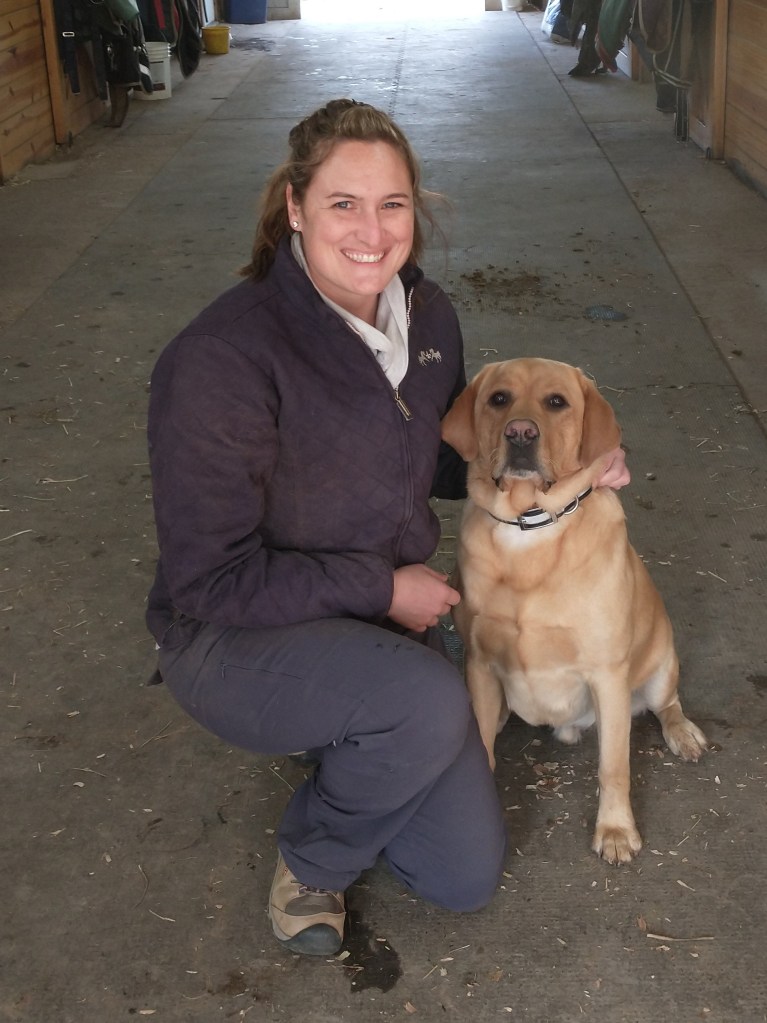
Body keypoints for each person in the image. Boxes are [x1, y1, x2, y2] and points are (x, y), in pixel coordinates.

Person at [145, 98, 629, 957]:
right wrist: (382, 586)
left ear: (415, 210)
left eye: (392, 204)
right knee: (425, 702)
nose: (371, 232)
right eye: (343, 203)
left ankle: (353, 729)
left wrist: (560, 462)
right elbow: (207, 579)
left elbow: (435, 460)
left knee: (461, 875)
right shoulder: (222, 358)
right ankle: (313, 859)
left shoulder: (426, 316)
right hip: (231, 634)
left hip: (375, 627)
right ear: (295, 207)